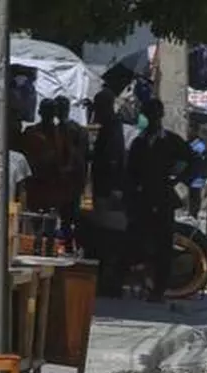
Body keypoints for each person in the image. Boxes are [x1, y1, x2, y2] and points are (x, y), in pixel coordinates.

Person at [125, 99, 193, 302]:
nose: (152, 118)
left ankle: (159, 289)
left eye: (155, 113)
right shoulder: (139, 142)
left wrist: (176, 179)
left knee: (163, 245)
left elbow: (190, 162)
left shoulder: (172, 141)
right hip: (142, 200)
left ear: (160, 115)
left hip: (163, 199)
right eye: (149, 114)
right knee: (139, 243)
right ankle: (141, 284)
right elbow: (131, 172)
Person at [87, 89, 128, 295]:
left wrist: (114, 189)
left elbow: (113, 159)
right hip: (105, 188)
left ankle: (110, 281)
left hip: (108, 190)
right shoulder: (109, 126)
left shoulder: (112, 126)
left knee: (107, 235)